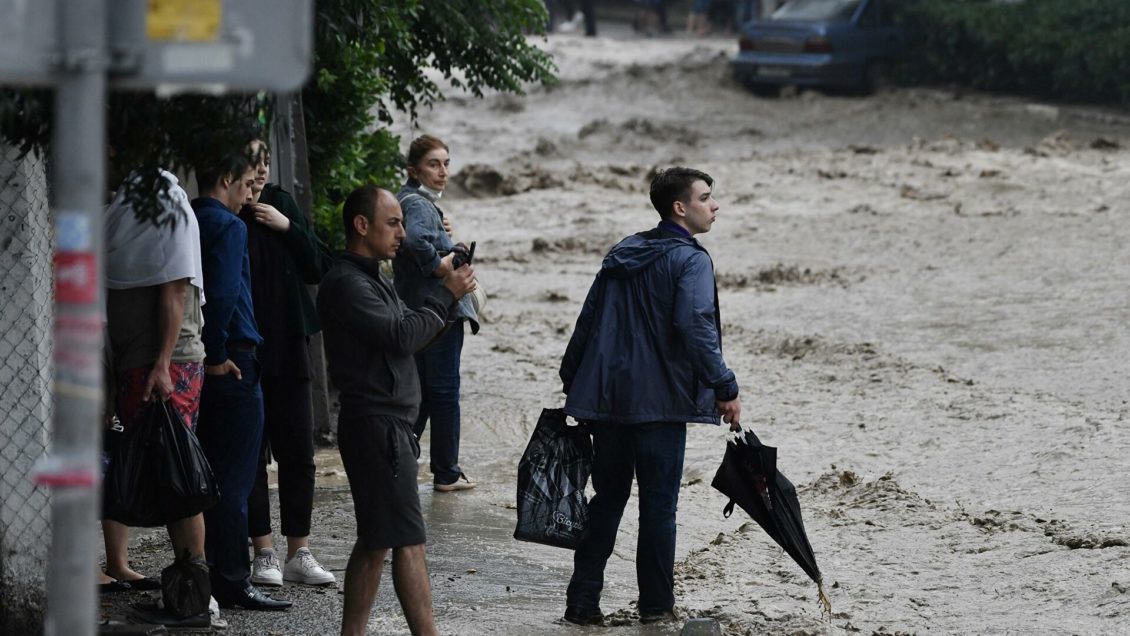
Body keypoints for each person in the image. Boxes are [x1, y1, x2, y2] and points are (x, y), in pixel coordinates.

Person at [558, 167, 742, 626]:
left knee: (607, 499)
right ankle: (656, 608)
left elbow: (587, 322)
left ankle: (581, 603)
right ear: (680, 208)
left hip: (609, 401)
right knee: (658, 508)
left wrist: (575, 385)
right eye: (706, 197)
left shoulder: (624, 252)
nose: (714, 205)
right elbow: (695, 327)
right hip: (659, 406)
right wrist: (725, 385)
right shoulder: (692, 260)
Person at [318, 185, 476, 636]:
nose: (403, 234)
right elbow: (403, 336)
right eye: (393, 223)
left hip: (384, 424)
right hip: (377, 425)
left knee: (375, 541)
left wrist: (444, 299)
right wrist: (445, 294)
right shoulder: (348, 283)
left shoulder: (370, 276)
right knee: (408, 542)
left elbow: (410, 330)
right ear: (361, 225)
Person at [100, 169, 208, 596]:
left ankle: (196, 591)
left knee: (179, 472)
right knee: (159, 470)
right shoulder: (121, 212)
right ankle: (184, 587)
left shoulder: (169, 208)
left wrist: (162, 363)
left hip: (167, 363)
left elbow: (174, 291)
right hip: (135, 362)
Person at [192, 147, 291, 611]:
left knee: (209, 473)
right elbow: (226, 292)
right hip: (233, 360)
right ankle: (231, 580)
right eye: (248, 183)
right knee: (236, 480)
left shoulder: (189, 217)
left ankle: (209, 572)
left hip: (201, 363)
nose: (250, 193)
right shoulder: (230, 226)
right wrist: (216, 354)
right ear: (227, 177)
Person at [239, 139, 337, 588]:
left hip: (290, 343)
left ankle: (300, 550)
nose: (260, 172)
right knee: (251, 453)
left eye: (264, 163)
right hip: (246, 350)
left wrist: (287, 226)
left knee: (299, 451)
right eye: (251, 164)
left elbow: (319, 265)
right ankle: (263, 552)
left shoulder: (280, 202)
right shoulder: (224, 213)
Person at [394, 135, 480, 493]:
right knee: (444, 391)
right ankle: (445, 472)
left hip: (419, 309)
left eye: (446, 163)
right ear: (414, 169)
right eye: (434, 164)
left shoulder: (409, 200)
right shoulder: (417, 203)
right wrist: (440, 265)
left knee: (425, 393)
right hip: (438, 310)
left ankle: (399, 458)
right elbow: (415, 240)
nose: (443, 171)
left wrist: (447, 244)